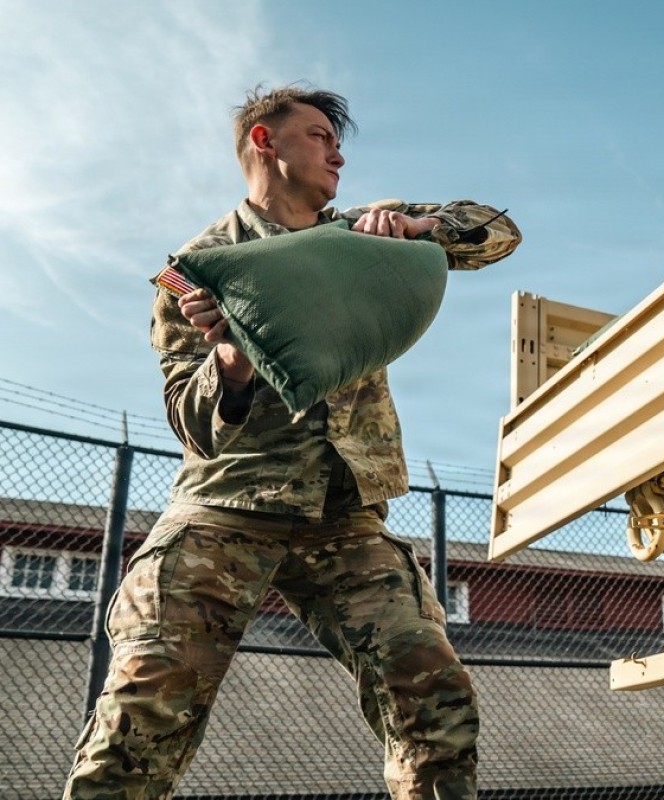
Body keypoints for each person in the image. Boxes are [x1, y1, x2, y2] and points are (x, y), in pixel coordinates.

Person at [64, 86, 521, 800]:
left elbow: (498, 233)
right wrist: (232, 359)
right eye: (318, 136)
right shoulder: (197, 269)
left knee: (435, 703)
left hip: (345, 517)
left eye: (337, 142)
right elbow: (191, 423)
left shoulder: (359, 238)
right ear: (264, 141)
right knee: (141, 717)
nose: (337, 154)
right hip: (226, 510)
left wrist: (417, 226)